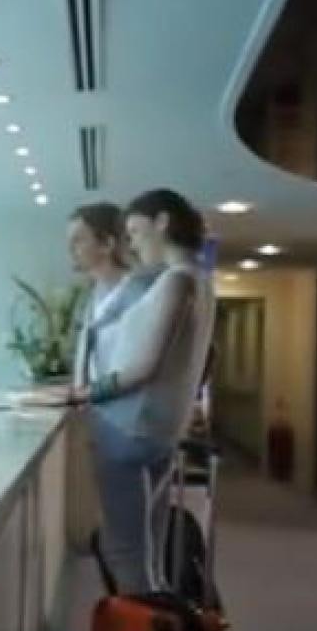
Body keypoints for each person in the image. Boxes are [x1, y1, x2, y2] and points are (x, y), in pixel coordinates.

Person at [72, 189, 217, 594]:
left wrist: (83, 394)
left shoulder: (175, 282)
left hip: (127, 430)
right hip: (160, 432)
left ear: (163, 223)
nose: (131, 242)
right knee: (149, 550)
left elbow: (141, 369)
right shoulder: (201, 281)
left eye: (135, 230)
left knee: (126, 551)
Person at [67, 203, 152, 393]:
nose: (70, 249)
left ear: (107, 244)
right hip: (96, 410)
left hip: (128, 412)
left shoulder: (141, 295)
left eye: (78, 240)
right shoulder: (90, 299)